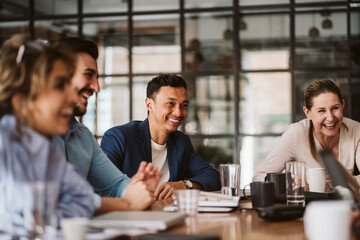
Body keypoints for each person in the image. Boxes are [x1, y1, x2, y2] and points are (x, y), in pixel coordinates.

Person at [55, 37, 162, 213]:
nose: (97, 87)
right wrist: (128, 203)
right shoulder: (25, 131)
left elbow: (115, 185)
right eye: (88, 75)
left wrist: (137, 189)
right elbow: (59, 202)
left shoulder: (82, 136)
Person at [0, 35, 95, 233]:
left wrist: (47, 220)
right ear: (23, 103)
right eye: (60, 85)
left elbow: (84, 199)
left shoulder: (45, 146)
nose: (71, 96)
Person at [101, 74, 221, 200]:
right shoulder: (118, 138)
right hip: (131, 216)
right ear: (149, 104)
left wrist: (184, 185)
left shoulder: (181, 142)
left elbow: (212, 176)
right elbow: (105, 187)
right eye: (170, 103)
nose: (179, 113)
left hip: (170, 214)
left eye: (184, 105)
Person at [252, 78, 360, 184]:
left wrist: (349, 181)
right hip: (305, 202)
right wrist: (290, 181)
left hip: (346, 202)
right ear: (308, 112)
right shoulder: (296, 133)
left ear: (342, 105)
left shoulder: (356, 130)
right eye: (321, 111)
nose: (330, 118)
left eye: (335, 108)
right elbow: (259, 176)